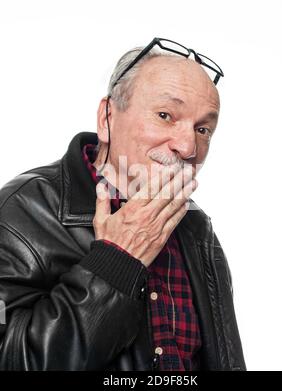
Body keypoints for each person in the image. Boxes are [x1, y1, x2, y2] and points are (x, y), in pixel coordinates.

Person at [0, 38, 246, 371]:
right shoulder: (23, 211)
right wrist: (116, 265)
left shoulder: (195, 227)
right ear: (106, 117)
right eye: (165, 115)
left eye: (203, 129)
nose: (189, 146)